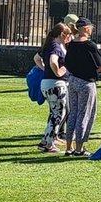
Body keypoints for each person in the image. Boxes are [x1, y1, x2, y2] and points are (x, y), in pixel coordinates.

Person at [64, 17, 101, 156]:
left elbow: (67, 63)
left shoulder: (71, 44)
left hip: (73, 80)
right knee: (84, 113)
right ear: (86, 28)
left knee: (73, 112)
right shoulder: (90, 45)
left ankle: (69, 146)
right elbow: (100, 67)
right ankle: (79, 147)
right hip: (86, 82)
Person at [38, 23, 73, 153]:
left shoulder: (49, 45)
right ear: (62, 35)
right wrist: (59, 71)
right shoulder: (56, 47)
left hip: (48, 82)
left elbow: (37, 58)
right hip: (56, 84)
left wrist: (45, 69)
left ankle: (46, 141)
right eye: (68, 35)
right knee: (58, 114)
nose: (70, 37)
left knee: (56, 113)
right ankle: (48, 143)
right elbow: (53, 60)